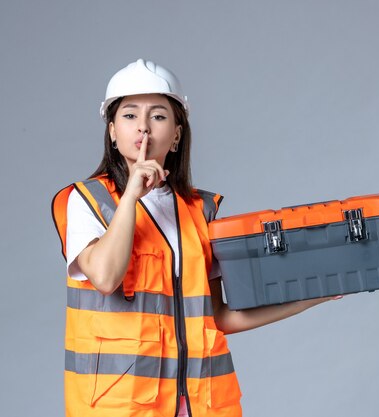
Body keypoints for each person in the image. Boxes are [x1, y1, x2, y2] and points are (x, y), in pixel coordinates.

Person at [51, 59, 341, 417]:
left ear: (176, 134)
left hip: (199, 404)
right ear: (111, 131)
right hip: (122, 406)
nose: (142, 126)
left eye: (158, 116)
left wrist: (312, 297)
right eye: (129, 115)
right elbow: (106, 276)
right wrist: (130, 197)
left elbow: (219, 316)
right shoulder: (85, 201)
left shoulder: (199, 210)